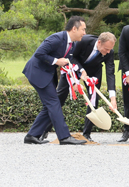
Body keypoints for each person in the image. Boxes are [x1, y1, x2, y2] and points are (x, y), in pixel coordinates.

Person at [23, 16, 88, 145]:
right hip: (37, 73)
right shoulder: (56, 38)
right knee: (54, 103)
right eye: (83, 29)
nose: (85, 33)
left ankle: (32, 135)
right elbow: (39, 53)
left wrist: (76, 79)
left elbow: (69, 63)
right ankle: (64, 137)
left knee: (49, 105)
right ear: (74, 29)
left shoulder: (72, 44)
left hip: (46, 74)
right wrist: (57, 61)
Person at [44, 32, 117, 143]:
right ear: (99, 42)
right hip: (72, 68)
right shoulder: (83, 41)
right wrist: (79, 75)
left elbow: (110, 73)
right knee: (59, 98)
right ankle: (44, 129)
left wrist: (113, 98)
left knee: (93, 100)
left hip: (93, 72)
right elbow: (71, 57)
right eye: (106, 49)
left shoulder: (109, 52)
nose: (108, 52)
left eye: (110, 50)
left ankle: (86, 134)